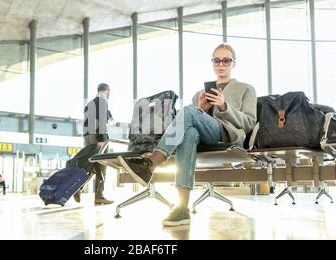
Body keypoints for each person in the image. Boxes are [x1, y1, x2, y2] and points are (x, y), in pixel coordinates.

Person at [121, 43, 257, 226]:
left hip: (225, 134)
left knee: (189, 111)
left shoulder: (246, 89)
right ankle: (182, 208)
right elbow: (190, 122)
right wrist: (201, 108)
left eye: (226, 60)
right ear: (213, 63)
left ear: (234, 63)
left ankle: (152, 163)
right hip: (201, 135)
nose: (221, 64)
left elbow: (249, 123)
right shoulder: (200, 93)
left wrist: (224, 107)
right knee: (190, 133)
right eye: (217, 60)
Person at [76, 83, 114, 205]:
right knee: (102, 165)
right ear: (107, 91)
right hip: (98, 136)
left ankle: (79, 187)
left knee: (92, 165)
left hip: (87, 136)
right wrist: (101, 138)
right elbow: (102, 121)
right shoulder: (102, 101)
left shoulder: (90, 104)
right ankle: (99, 196)